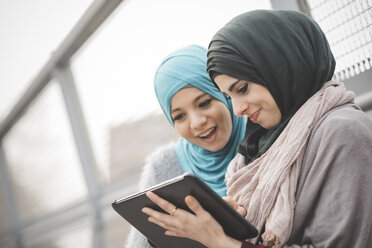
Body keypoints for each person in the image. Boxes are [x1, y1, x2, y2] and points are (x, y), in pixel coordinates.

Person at [142, 10, 372, 248]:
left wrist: (219, 242)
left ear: (280, 66)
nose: (238, 110)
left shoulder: (343, 132)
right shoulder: (263, 144)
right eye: (229, 97)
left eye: (242, 89)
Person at [125, 44, 246, 247]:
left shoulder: (264, 140)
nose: (197, 122)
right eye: (179, 116)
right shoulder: (163, 167)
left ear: (224, 94)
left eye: (205, 103)